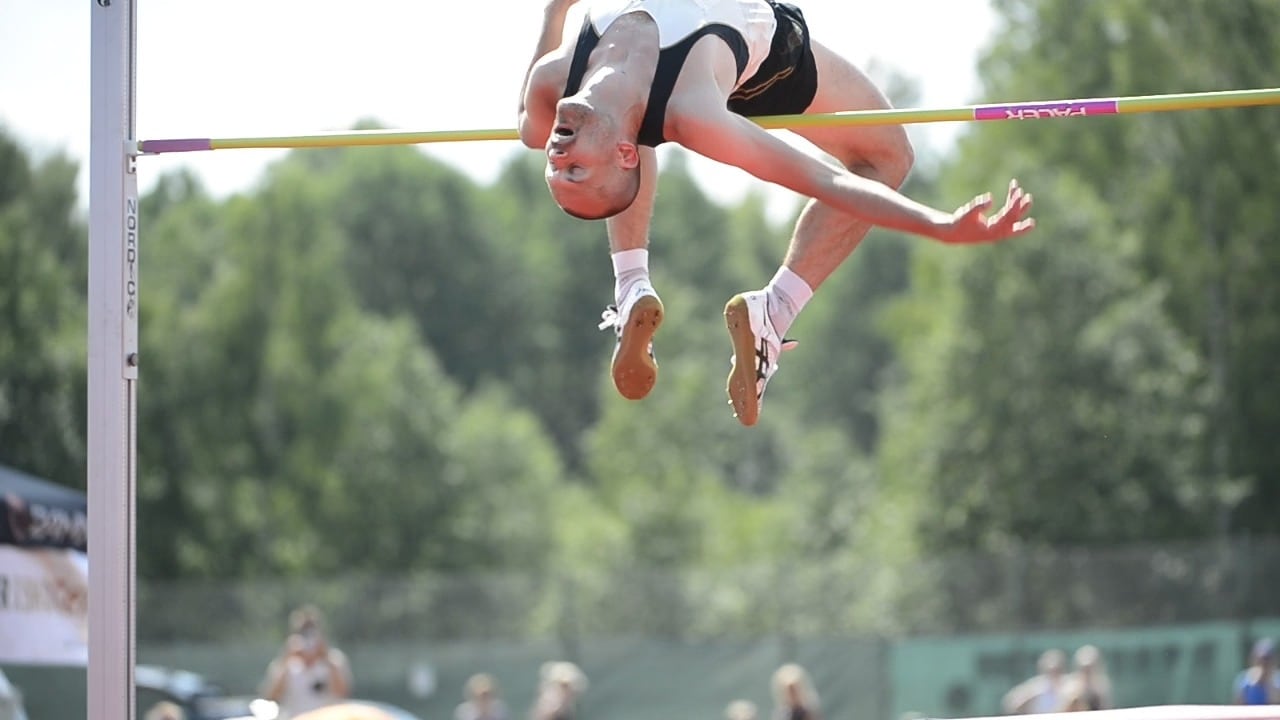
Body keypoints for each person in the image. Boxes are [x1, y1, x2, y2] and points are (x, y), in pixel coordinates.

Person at [518, 0, 1035, 425]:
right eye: (577, 171)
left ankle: (631, 284)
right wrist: (937, 225)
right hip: (767, 62)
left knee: (627, 113)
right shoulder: (695, 114)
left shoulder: (550, 85)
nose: (558, 159)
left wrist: (555, 11)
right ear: (624, 155)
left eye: (557, 172)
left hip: (671, 72)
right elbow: (827, 181)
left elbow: (530, 127)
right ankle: (774, 311)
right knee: (888, 158)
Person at [261, 605, 354, 720]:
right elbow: (271, 696)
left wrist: (326, 658)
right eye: (303, 633)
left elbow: (343, 693)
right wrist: (286, 658)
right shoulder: (284, 664)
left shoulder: (335, 660)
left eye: (312, 632)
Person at [1002, 648, 1067, 714]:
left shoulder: (1068, 685)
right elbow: (1011, 705)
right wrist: (1033, 695)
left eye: (1057, 670)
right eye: (1050, 671)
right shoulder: (1035, 686)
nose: (1053, 674)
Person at [1060, 645, 1113, 712]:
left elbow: (1106, 707)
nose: (1087, 671)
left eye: (1090, 668)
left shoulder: (1101, 685)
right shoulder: (1070, 685)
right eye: (1084, 668)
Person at [1234, 638, 1280, 705]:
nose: (1264, 663)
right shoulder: (1244, 681)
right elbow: (1238, 705)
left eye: (1267, 660)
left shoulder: (1278, 681)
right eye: (1260, 659)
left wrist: (1269, 685)